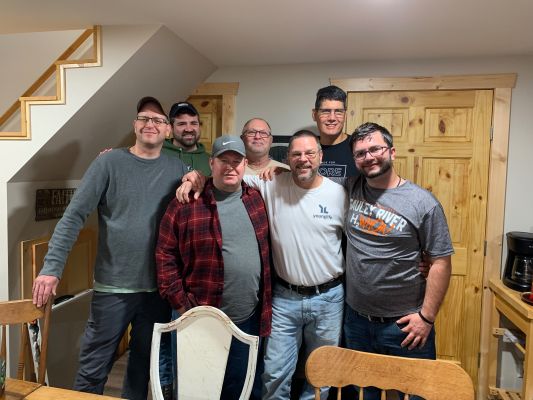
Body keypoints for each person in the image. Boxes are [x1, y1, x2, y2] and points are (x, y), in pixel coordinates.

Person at [31, 97, 188, 400]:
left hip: (157, 291)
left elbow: (204, 189)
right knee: (93, 369)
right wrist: (51, 268)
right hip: (112, 288)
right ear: (134, 125)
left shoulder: (176, 168)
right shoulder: (108, 162)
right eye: (144, 118)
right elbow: (73, 216)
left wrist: (197, 176)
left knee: (142, 368)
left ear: (168, 131)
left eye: (158, 120)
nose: (150, 124)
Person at [176, 130, 347, 400]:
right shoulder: (269, 185)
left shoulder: (339, 194)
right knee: (275, 373)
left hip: (329, 298)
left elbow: (358, 242)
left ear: (320, 157)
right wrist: (194, 177)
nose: (303, 159)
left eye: (309, 153)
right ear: (286, 159)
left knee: (321, 374)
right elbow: (227, 176)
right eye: (296, 154)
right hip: (285, 298)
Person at [156, 135, 272, 400]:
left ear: (245, 164)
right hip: (197, 318)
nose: (230, 167)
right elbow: (164, 255)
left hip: (247, 319)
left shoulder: (255, 198)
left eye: (236, 161)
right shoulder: (187, 202)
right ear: (211, 163)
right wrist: (182, 306)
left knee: (240, 388)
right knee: (196, 390)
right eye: (223, 161)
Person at [343, 122, 453, 400]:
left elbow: (440, 261)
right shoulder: (351, 187)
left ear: (392, 151)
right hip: (356, 319)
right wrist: (275, 169)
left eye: (375, 149)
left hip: (405, 325)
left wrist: (426, 318)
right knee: (362, 393)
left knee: (415, 393)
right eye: (360, 153)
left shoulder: (422, 202)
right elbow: (307, 178)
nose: (369, 157)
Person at [312, 85, 359, 178]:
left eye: (338, 112)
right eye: (325, 111)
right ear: (314, 115)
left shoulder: (359, 147)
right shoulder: (307, 149)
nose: (332, 118)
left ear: (345, 115)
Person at [162, 101, 211, 175]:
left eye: (194, 123)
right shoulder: (158, 155)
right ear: (171, 128)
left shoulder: (210, 161)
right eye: (182, 124)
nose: (189, 129)